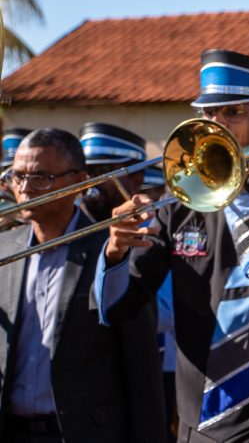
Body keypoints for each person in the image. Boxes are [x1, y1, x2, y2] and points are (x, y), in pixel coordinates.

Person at [95, 49, 249, 442]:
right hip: (195, 416)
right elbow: (117, 308)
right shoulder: (179, 205)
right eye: (207, 114)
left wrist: (235, 196)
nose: (215, 125)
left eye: (232, 113)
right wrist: (115, 252)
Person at [0, 128, 165, 442]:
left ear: (78, 183)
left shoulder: (115, 250)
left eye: (41, 178)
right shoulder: (4, 249)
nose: (24, 189)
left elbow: (142, 373)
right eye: (16, 176)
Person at [79, 122, 148, 223]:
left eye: (101, 171)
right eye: (86, 171)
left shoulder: (154, 230)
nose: (91, 180)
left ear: (137, 181)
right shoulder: (70, 227)